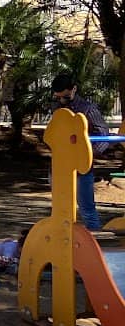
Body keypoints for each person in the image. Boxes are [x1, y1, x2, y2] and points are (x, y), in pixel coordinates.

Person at [53, 71, 110, 232]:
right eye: (57, 98)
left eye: (65, 97)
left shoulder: (87, 109)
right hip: (60, 166)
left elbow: (103, 136)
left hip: (81, 168)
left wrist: (86, 155)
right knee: (61, 208)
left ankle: (96, 243)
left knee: (86, 208)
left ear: (74, 90)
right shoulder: (58, 109)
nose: (61, 101)